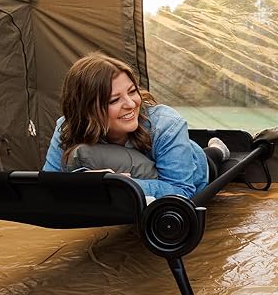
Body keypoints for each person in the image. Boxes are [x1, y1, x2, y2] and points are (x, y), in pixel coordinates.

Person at [42, 52, 230, 200]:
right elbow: (48, 184)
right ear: (86, 110)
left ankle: (218, 150)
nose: (131, 104)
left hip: (195, 164)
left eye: (132, 91)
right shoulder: (67, 127)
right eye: (114, 100)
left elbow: (181, 191)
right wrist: (89, 181)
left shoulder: (166, 125)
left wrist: (123, 185)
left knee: (210, 159)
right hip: (140, 169)